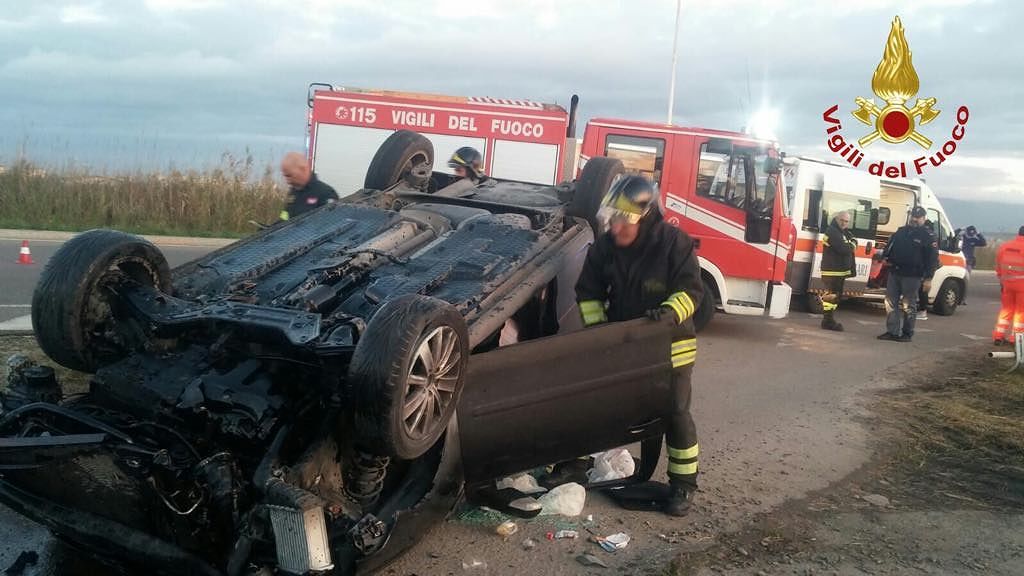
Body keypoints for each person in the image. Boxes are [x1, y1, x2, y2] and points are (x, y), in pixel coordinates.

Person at [575, 175, 704, 517]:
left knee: (675, 411)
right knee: (600, 404)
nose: (616, 228)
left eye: (623, 220)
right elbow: (587, 291)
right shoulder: (606, 246)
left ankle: (682, 486)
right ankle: (578, 463)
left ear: (645, 217)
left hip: (670, 344)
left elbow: (693, 292)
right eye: (612, 219)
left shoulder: (673, 243)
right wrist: (601, 331)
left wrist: (667, 314)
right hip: (624, 344)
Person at [876, 206, 937, 342]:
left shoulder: (928, 236)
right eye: (913, 216)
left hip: (913, 275)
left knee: (908, 305)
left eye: (918, 217)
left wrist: (928, 278)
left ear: (924, 218)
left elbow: (932, 259)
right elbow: (889, 248)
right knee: (890, 302)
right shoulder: (901, 231)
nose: (914, 219)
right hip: (895, 271)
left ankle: (907, 333)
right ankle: (892, 331)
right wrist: (884, 257)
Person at [819, 210, 857, 331]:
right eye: (842, 220)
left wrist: (852, 243)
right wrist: (853, 244)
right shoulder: (833, 232)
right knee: (831, 297)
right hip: (832, 271)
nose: (844, 223)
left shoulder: (841, 232)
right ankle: (828, 321)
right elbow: (844, 249)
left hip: (837, 271)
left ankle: (828, 320)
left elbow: (850, 241)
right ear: (836, 219)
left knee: (834, 297)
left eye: (846, 221)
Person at [279, 152, 338, 221]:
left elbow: (330, 225)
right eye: (285, 176)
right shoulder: (293, 192)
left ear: (303, 169)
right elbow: (284, 217)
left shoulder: (326, 194)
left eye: (290, 176)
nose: (288, 181)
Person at [993, 226, 1024, 345]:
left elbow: (999, 265)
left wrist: (1002, 279)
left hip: (1007, 284)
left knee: (1006, 310)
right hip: (1022, 286)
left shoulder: (1005, 246)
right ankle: (1016, 338)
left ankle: (998, 336)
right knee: (1020, 312)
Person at [916, 220, 941, 321]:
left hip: (925, 267)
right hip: (927, 267)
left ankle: (922, 310)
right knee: (922, 289)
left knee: (923, 290)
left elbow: (932, 256)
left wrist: (929, 275)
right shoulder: (932, 236)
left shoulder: (929, 237)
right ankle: (921, 310)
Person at [960, 225, 987, 305]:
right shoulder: (962, 238)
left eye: (972, 233)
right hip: (960, 262)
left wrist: (978, 234)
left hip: (968, 263)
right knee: (958, 280)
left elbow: (983, 243)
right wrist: (961, 229)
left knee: (966, 282)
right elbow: (953, 234)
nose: (970, 235)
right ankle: (960, 298)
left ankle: (963, 299)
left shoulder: (973, 240)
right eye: (969, 233)